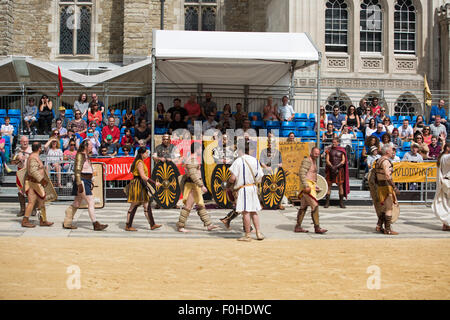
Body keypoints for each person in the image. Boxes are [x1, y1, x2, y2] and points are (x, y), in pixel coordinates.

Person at [63, 139, 108, 231]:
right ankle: (95, 223)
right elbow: (77, 171)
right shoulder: (80, 155)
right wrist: (79, 184)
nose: (92, 147)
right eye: (90, 145)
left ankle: (67, 220)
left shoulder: (86, 155)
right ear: (85, 146)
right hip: (82, 181)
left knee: (77, 202)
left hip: (85, 181)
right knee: (91, 201)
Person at [176, 142, 218, 233]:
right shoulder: (192, 160)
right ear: (197, 149)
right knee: (188, 206)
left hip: (194, 185)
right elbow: (193, 175)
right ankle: (180, 226)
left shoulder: (193, 159)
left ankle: (209, 224)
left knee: (200, 205)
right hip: (192, 186)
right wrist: (201, 185)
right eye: (200, 149)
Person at [227, 140, 265, 241]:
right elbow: (260, 177)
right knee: (254, 211)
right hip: (253, 187)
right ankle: (258, 233)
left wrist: (228, 185)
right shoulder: (255, 160)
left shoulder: (238, 161)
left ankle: (248, 235)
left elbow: (232, 178)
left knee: (246, 212)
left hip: (243, 189)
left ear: (240, 150)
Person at [125, 147, 162, 231]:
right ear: (142, 154)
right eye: (146, 153)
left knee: (146, 204)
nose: (147, 154)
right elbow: (143, 176)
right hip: (138, 184)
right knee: (134, 205)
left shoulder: (140, 162)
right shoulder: (139, 163)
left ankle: (152, 224)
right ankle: (128, 225)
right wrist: (154, 182)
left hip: (140, 183)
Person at [295, 147, 327, 234]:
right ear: (311, 152)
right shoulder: (307, 161)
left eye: (318, 153)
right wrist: (306, 186)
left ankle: (298, 227)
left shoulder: (314, 161)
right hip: (307, 187)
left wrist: (315, 186)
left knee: (303, 206)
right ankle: (317, 227)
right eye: (315, 153)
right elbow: (302, 173)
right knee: (315, 205)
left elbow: (312, 175)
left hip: (310, 186)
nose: (317, 155)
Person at [21, 142, 54, 228]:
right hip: (33, 183)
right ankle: (25, 220)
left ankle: (43, 220)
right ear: (39, 148)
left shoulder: (34, 157)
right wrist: (42, 180)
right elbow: (33, 171)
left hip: (35, 183)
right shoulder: (33, 158)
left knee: (41, 202)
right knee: (31, 202)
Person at [373, 143, 401, 235]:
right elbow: (387, 176)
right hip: (386, 187)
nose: (393, 151)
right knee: (388, 208)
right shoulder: (385, 161)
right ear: (387, 151)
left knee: (383, 208)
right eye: (392, 150)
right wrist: (394, 187)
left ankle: (379, 226)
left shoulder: (378, 160)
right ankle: (388, 229)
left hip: (380, 186)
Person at [259, 132, 285, 210]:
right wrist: (266, 167)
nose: (270, 145)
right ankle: (263, 203)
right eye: (269, 143)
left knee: (277, 188)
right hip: (266, 172)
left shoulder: (278, 152)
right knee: (264, 188)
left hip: (275, 173)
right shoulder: (264, 151)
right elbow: (262, 162)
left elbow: (281, 164)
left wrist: (275, 165)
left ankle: (278, 203)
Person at [324, 138, 350, 208]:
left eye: (335, 142)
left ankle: (341, 202)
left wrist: (337, 167)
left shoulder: (342, 150)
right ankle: (327, 202)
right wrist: (332, 167)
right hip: (331, 170)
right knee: (329, 186)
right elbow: (327, 160)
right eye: (333, 142)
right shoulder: (329, 150)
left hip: (339, 170)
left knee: (340, 186)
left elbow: (343, 161)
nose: (333, 143)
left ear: (338, 142)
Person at [12, 136, 32, 217]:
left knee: (30, 191)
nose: (25, 143)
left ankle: (32, 208)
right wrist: (18, 159)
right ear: (20, 142)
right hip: (20, 172)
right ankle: (22, 209)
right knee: (21, 192)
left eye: (26, 141)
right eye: (23, 141)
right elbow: (12, 162)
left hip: (29, 172)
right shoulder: (17, 150)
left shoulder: (31, 150)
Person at [432, 143, 450, 231]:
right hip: (447, 182)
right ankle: (447, 223)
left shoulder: (442, 157)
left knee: (445, 203)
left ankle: (446, 224)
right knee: (447, 205)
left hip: (444, 182)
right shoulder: (446, 157)